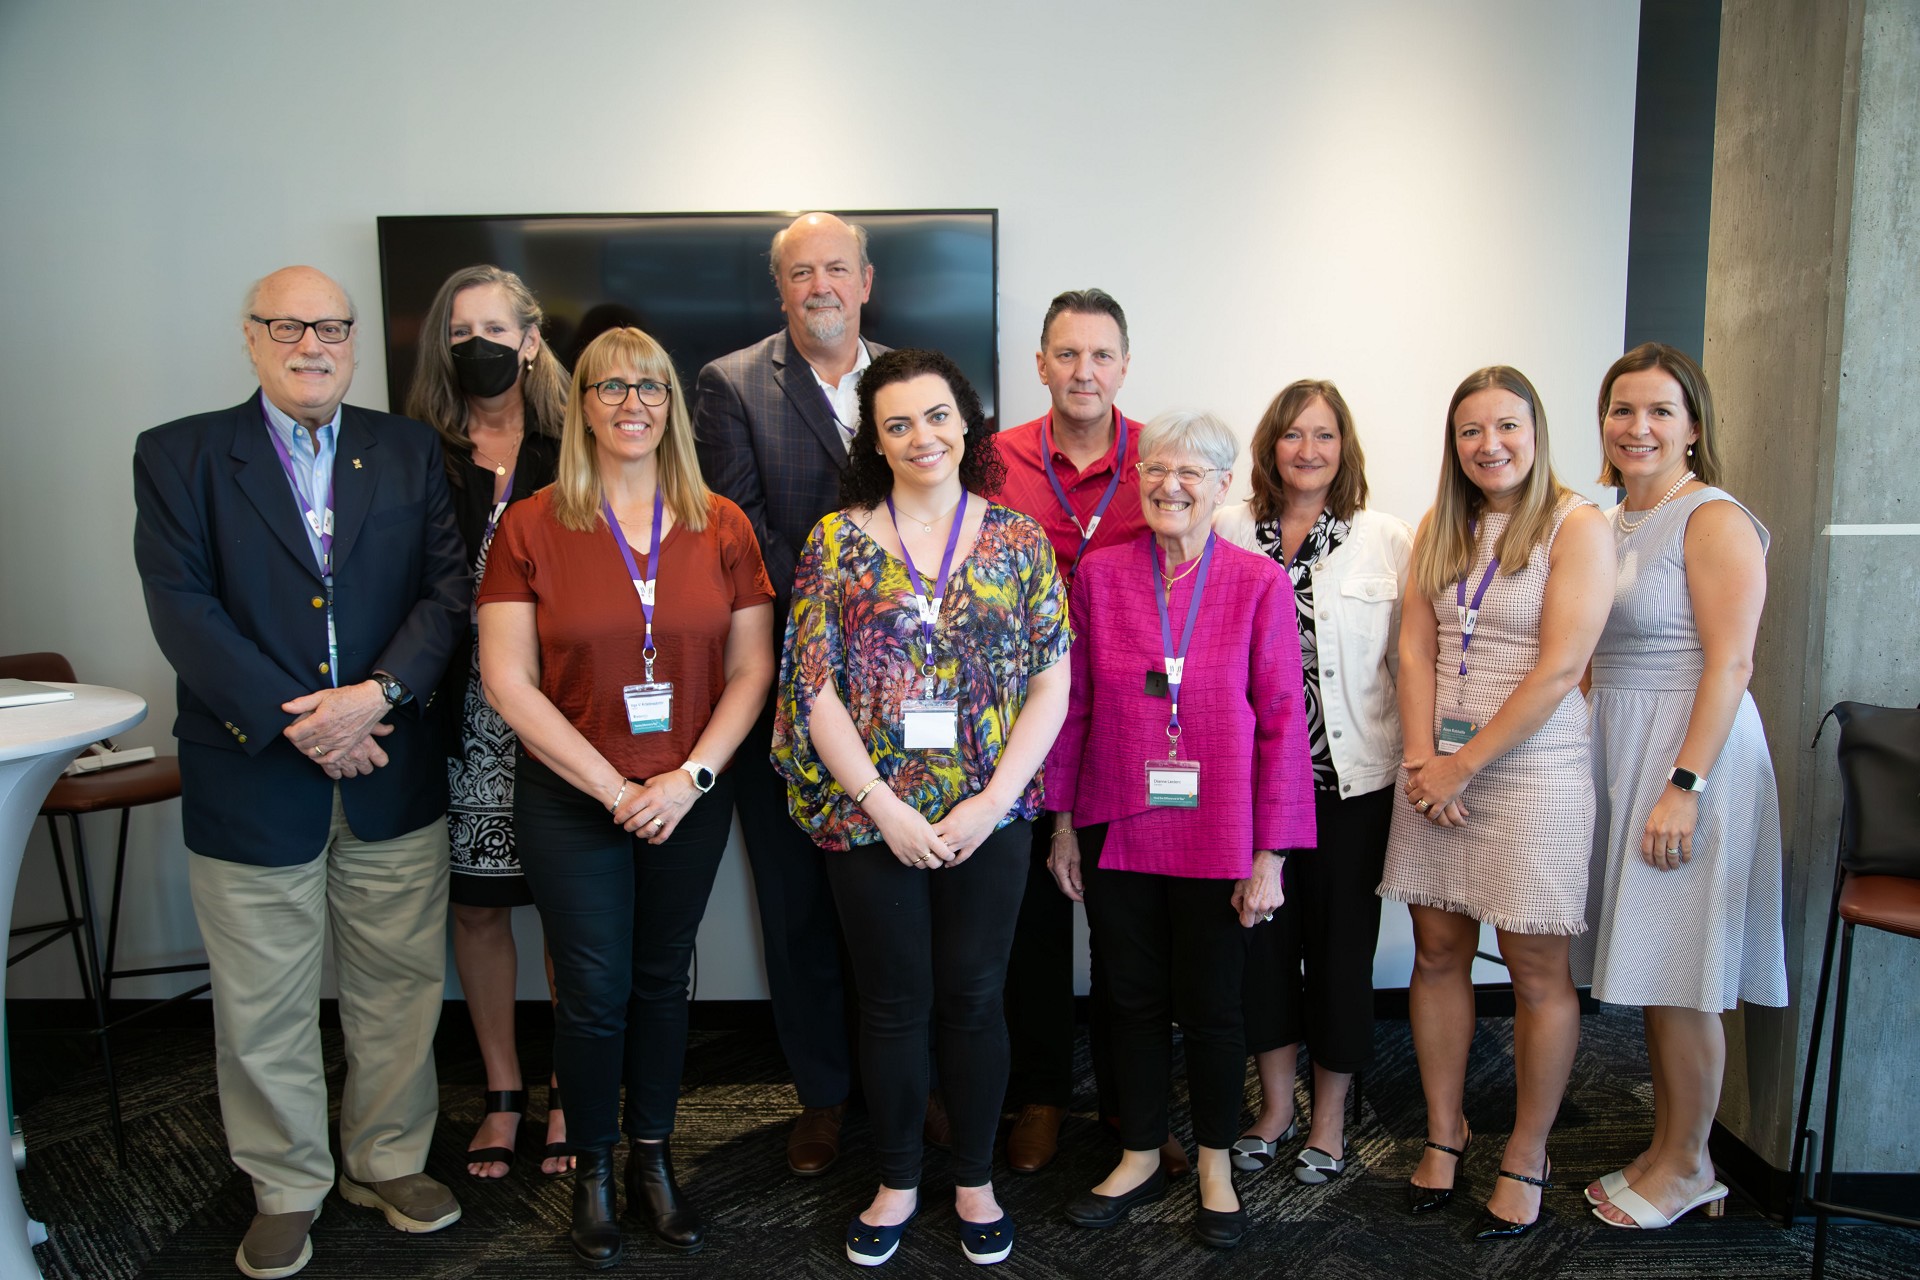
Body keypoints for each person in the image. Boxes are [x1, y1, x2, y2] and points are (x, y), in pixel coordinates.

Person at [133, 266, 470, 1279]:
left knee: (400, 987)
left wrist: (377, 697)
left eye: (331, 326)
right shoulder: (181, 453)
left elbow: (448, 593)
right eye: (288, 325)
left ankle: (387, 1159)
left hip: (390, 765)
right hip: (252, 774)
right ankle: (284, 1182)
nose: (311, 343)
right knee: (262, 1002)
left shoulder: (408, 450)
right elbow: (183, 609)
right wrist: (309, 724)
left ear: (355, 340)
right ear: (250, 337)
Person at [478, 327, 775, 1266]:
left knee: (661, 982)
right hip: (575, 797)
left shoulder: (722, 523)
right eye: (610, 390)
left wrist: (686, 781)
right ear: (584, 407)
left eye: (650, 388)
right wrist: (613, 786)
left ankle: (655, 1158)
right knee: (595, 993)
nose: (632, 405)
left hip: (688, 795)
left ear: (672, 405)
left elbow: (752, 667)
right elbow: (507, 682)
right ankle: (594, 1171)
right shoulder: (531, 524)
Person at [772, 348, 1069, 1267]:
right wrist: (880, 806)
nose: (920, 437)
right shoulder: (836, 541)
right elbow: (812, 687)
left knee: (976, 999)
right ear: (876, 439)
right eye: (897, 423)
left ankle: (974, 1179)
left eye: (936, 416)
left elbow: (1053, 680)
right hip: (870, 821)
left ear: (966, 423)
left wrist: (992, 802)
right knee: (893, 1004)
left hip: (989, 817)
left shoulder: (1019, 541)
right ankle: (898, 1178)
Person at [1046, 411, 1315, 1251]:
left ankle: (1211, 1163)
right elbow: (1073, 707)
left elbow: (1281, 720)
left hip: (1220, 831)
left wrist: (1271, 854)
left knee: (1212, 1005)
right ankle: (1134, 1153)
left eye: (1191, 473)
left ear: (1223, 486)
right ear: (1138, 480)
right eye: (1156, 470)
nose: (1170, 486)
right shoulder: (1099, 576)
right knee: (1127, 997)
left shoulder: (1259, 582)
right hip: (1118, 819)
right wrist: (1061, 825)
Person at [1377, 366, 1614, 1241]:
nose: (1490, 445)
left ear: (1537, 431)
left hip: (1531, 772)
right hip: (1435, 767)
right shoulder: (1443, 523)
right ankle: (1445, 1134)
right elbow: (1414, 648)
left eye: (1507, 426)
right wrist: (1420, 759)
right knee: (1437, 954)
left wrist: (1463, 766)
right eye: (1472, 431)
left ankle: (1527, 1151)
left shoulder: (1576, 525)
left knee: (1537, 973)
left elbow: (1559, 668)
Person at [694, 212, 893, 1175]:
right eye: (800, 272)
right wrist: (847, 615)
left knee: (898, 901)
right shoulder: (730, 385)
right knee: (798, 904)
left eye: (836, 268)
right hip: (784, 691)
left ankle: (908, 1083)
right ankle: (820, 1095)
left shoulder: (915, 384)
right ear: (781, 291)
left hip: (910, 701)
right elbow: (740, 534)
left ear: (867, 281)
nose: (820, 284)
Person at [1575, 343, 1788, 1229]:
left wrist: (1684, 784)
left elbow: (1731, 662)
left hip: (1690, 750)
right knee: (1658, 964)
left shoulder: (1712, 517)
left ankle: (1694, 1163)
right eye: (1624, 410)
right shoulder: (1609, 519)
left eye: (1661, 410)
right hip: (1623, 738)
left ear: (1694, 426)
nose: (1639, 426)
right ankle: (1670, 1148)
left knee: (1689, 970)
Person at [1214, 379, 1413, 1184]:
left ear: (1345, 448)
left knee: (1338, 957)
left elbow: (1411, 663)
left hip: (1350, 790)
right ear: (1270, 446)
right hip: (1247, 792)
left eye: (1324, 436)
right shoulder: (1228, 530)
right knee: (1259, 952)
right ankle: (1274, 1109)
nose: (1307, 450)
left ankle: (1329, 1121)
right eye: (1293, 435)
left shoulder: (1386, 539)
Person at [405, 263, 571, 1180]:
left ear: (532, 340)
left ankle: (569, 1089)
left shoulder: (573, 446)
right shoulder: (412, 452)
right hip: (458, 715)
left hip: (565, 711)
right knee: (477, 904)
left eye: (497, 330)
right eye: (462, 332)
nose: (481, 347)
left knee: (568, 909)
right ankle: (503, 1091)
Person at [991, 287, 1158, 1176]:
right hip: (1023, 718)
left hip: (1134, 719)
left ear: (1124, 365)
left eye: (1100, 355)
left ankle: (1142, 1107)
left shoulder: (1158, 458)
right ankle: (1045, 1094)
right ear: (1042, 363)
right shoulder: (995, 459)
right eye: (1067, 354)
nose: (1083, 371)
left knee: (1137, 917)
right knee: (1034, 919)